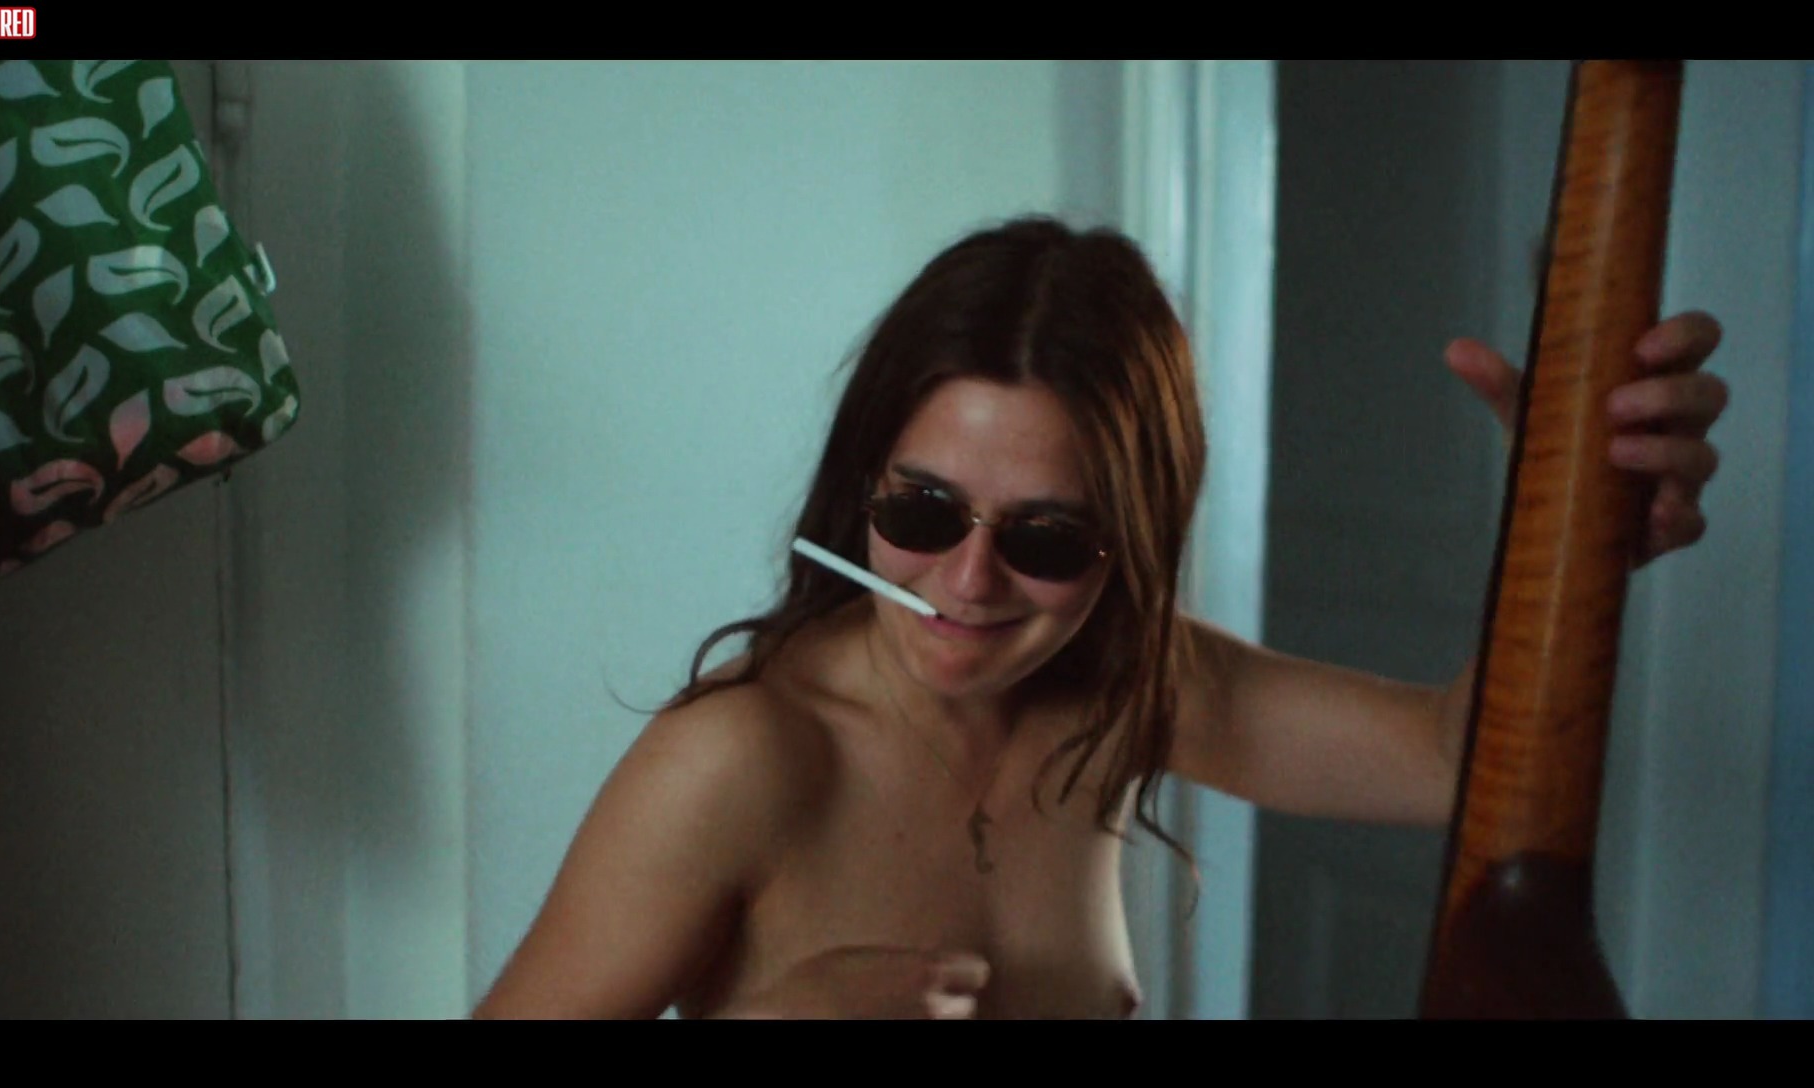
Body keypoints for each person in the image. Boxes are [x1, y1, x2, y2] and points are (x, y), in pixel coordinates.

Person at [472, 216, 1729, 1019]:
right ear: (861, 486)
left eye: (1045, 538)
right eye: (923, 511)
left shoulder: (1123, 683)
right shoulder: (738, 759)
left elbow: (1461, 765)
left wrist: (1571, 534)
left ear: (1129, 547)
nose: (968, 582)